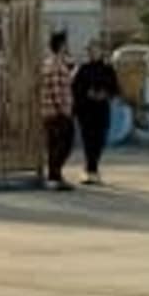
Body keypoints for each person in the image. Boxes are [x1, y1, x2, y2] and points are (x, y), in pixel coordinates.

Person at [70, 35, 122, 182]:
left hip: (101, 109)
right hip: (85, 110)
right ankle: (91, 170)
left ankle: (91, 168)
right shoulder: (82, 68)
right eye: (90, 50)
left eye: (95, 50)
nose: (92, 52)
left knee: (100, 140)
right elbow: (74, 88)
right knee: (88, 140)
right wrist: (87, 94)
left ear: (101, 51)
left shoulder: (108, 69)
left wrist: (105, 94)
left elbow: (115, 88)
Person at [37, 30, 77, 189]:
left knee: (54, 144)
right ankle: (55, 175)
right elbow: (56, 89)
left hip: (49, 111)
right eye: (66, 44)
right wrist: (63, 110)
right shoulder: (57, 65)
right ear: (61, 46)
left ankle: (55, 175)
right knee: (64, 143)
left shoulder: (49, 63)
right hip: (57, 112)